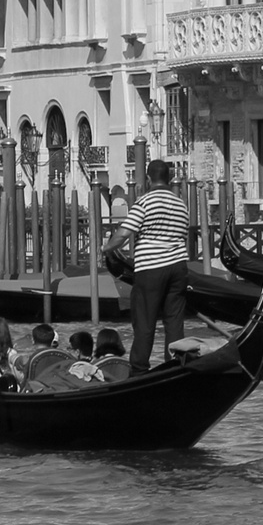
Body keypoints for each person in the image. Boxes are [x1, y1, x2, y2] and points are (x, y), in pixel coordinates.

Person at [106, 158, 189, 372]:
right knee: (174, 322)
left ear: (149, 178)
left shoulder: (145, 202)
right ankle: (175, 366)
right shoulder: (181, 205)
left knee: (144, 321)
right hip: (178, 268)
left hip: (151, 268)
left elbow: (124, 234)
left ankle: (139, 369)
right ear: (169, 178)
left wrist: (105, 249)